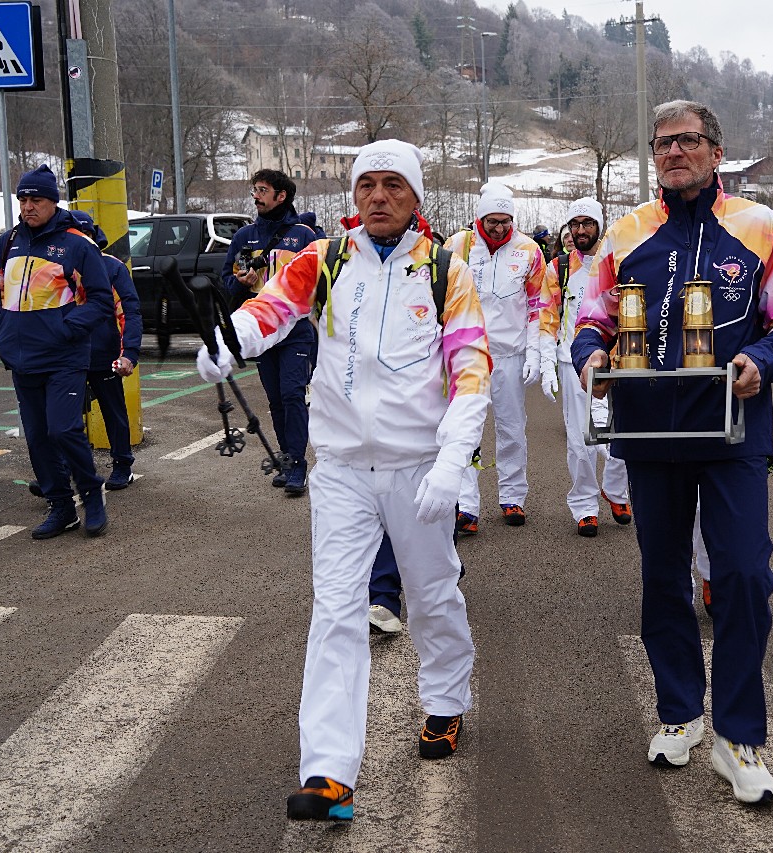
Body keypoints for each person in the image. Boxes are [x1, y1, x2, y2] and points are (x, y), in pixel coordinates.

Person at [195, 139, 492, 822]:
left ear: (415, 197)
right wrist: (230, 342)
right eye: (367, 185)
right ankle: (328, 771)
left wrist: (453, 460)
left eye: (393, 184)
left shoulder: (445, 270)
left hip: (419, 468)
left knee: (432, 595)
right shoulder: (324, 258)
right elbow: (271, 308)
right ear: (353, 195)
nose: (378, 196)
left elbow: (471, 367)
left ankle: (446, 700)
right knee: (335, 610)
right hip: (342, 470)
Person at [572, 100, 773, 804]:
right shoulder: (626, 232)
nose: (674, 152)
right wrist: (590, 357)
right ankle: (680, 712)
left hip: (733, 430)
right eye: (663, 143)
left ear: (715, 150)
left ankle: (738, 736)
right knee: (663, 578)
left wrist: (762, 360)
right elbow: (592, 318)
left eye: (688, 141)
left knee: (743, 575)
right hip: (650, 432)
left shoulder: (759, 226)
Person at [0, 164, 115, 539]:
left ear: (53, 202)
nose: (28, 206)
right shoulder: (8, 242)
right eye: (23, 199)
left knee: (63, 429)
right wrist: (0, 327)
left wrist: (66, 329)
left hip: (64, 357)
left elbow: (101, 300)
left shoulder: (77, 244)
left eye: (36, 200)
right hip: (21, 357)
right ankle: (61, 506)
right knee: (38, 437)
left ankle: (91, 494)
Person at [444, 183, 548, 533]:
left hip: (509, 354)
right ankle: (466, 505)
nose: (500, 228)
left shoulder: (529, 250)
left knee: (512, 429)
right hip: (468, 352)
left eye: (506, 221)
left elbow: (536, 306)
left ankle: (513, 497)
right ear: (480, 218)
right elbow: (441, 295)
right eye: (493, 221)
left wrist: (534, 352)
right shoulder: (458, 245)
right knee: (465, 430)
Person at [220, 169, 323, 495]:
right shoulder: (244, 237)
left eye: (262, 190)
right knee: (276, 399)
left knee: (293, 394)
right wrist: (240, 282)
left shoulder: (304, 237)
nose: (256, 196)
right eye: (254, 190)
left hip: (296, 330)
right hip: (263, 333)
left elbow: (322, 282)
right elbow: (227, 282)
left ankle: (298, 465)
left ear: (281, 196)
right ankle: (287, 460)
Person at [543, 197, 631, 537]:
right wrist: (545, 357)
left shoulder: (618, 262)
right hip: (573, 361)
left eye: (587, 223)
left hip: (619, 359)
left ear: (599, 225)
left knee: (621, 431)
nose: (581, 230)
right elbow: (547, 314)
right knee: (580, 439)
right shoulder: (560, 268)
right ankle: (584, 506)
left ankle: (617, 491)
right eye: (575, 224)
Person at [68, 211, 142, 489]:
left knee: (113, 412)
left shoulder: (112, 267)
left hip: (103, 354)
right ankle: (62, 472)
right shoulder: (57, 267)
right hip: (67, 356)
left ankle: (123, 464)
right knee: (64, 418)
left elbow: (129, 311)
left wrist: (129, 353)